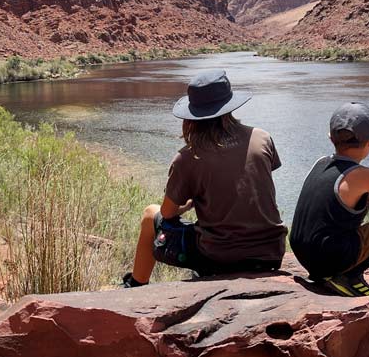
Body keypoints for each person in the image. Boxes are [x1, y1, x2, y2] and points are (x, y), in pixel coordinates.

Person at [123, 70, 287, 286]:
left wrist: (189, 205)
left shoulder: (187, 157)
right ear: (229, 105)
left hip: (218, 257)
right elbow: (252, 181)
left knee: (149, 214)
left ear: (193, 116)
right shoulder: (262, 138)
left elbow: (167, 213)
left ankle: (135, 285)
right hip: (271, 252)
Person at [290, 102, 369, 297]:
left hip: (304, 255)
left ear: (330, 137)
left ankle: (338, 273)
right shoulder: (365, 176)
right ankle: (349, 275)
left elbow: (349, 195)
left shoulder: (320, 163)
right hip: (330, 259)